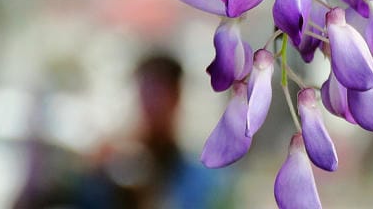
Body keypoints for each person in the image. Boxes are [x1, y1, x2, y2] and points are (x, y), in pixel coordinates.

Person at [15, 52, 230, 209]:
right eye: (146, 94)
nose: (151, 106)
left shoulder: (198, 175)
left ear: (176, 98)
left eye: (159, 95)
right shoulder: (109, 163)